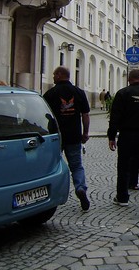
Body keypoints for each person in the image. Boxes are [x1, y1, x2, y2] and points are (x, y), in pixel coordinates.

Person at [107, 69, 139, 215]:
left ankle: (123, 197)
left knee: (123, 166)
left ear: (129, 79)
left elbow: (115, 117)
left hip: (127, 135)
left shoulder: (122, 94)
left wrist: (111, 136)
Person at [43, 66, 91, 211]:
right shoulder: (79, 92)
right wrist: (85, 133)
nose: (52, 77)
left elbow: (44, 115)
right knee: (76, 166)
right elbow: (85, 115)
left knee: (53, 166)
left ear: (59, 75)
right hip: (74, 134)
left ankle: (53, 194)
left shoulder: (50, 94)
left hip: (55, 137)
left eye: (54, 74)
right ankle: (80, 188)